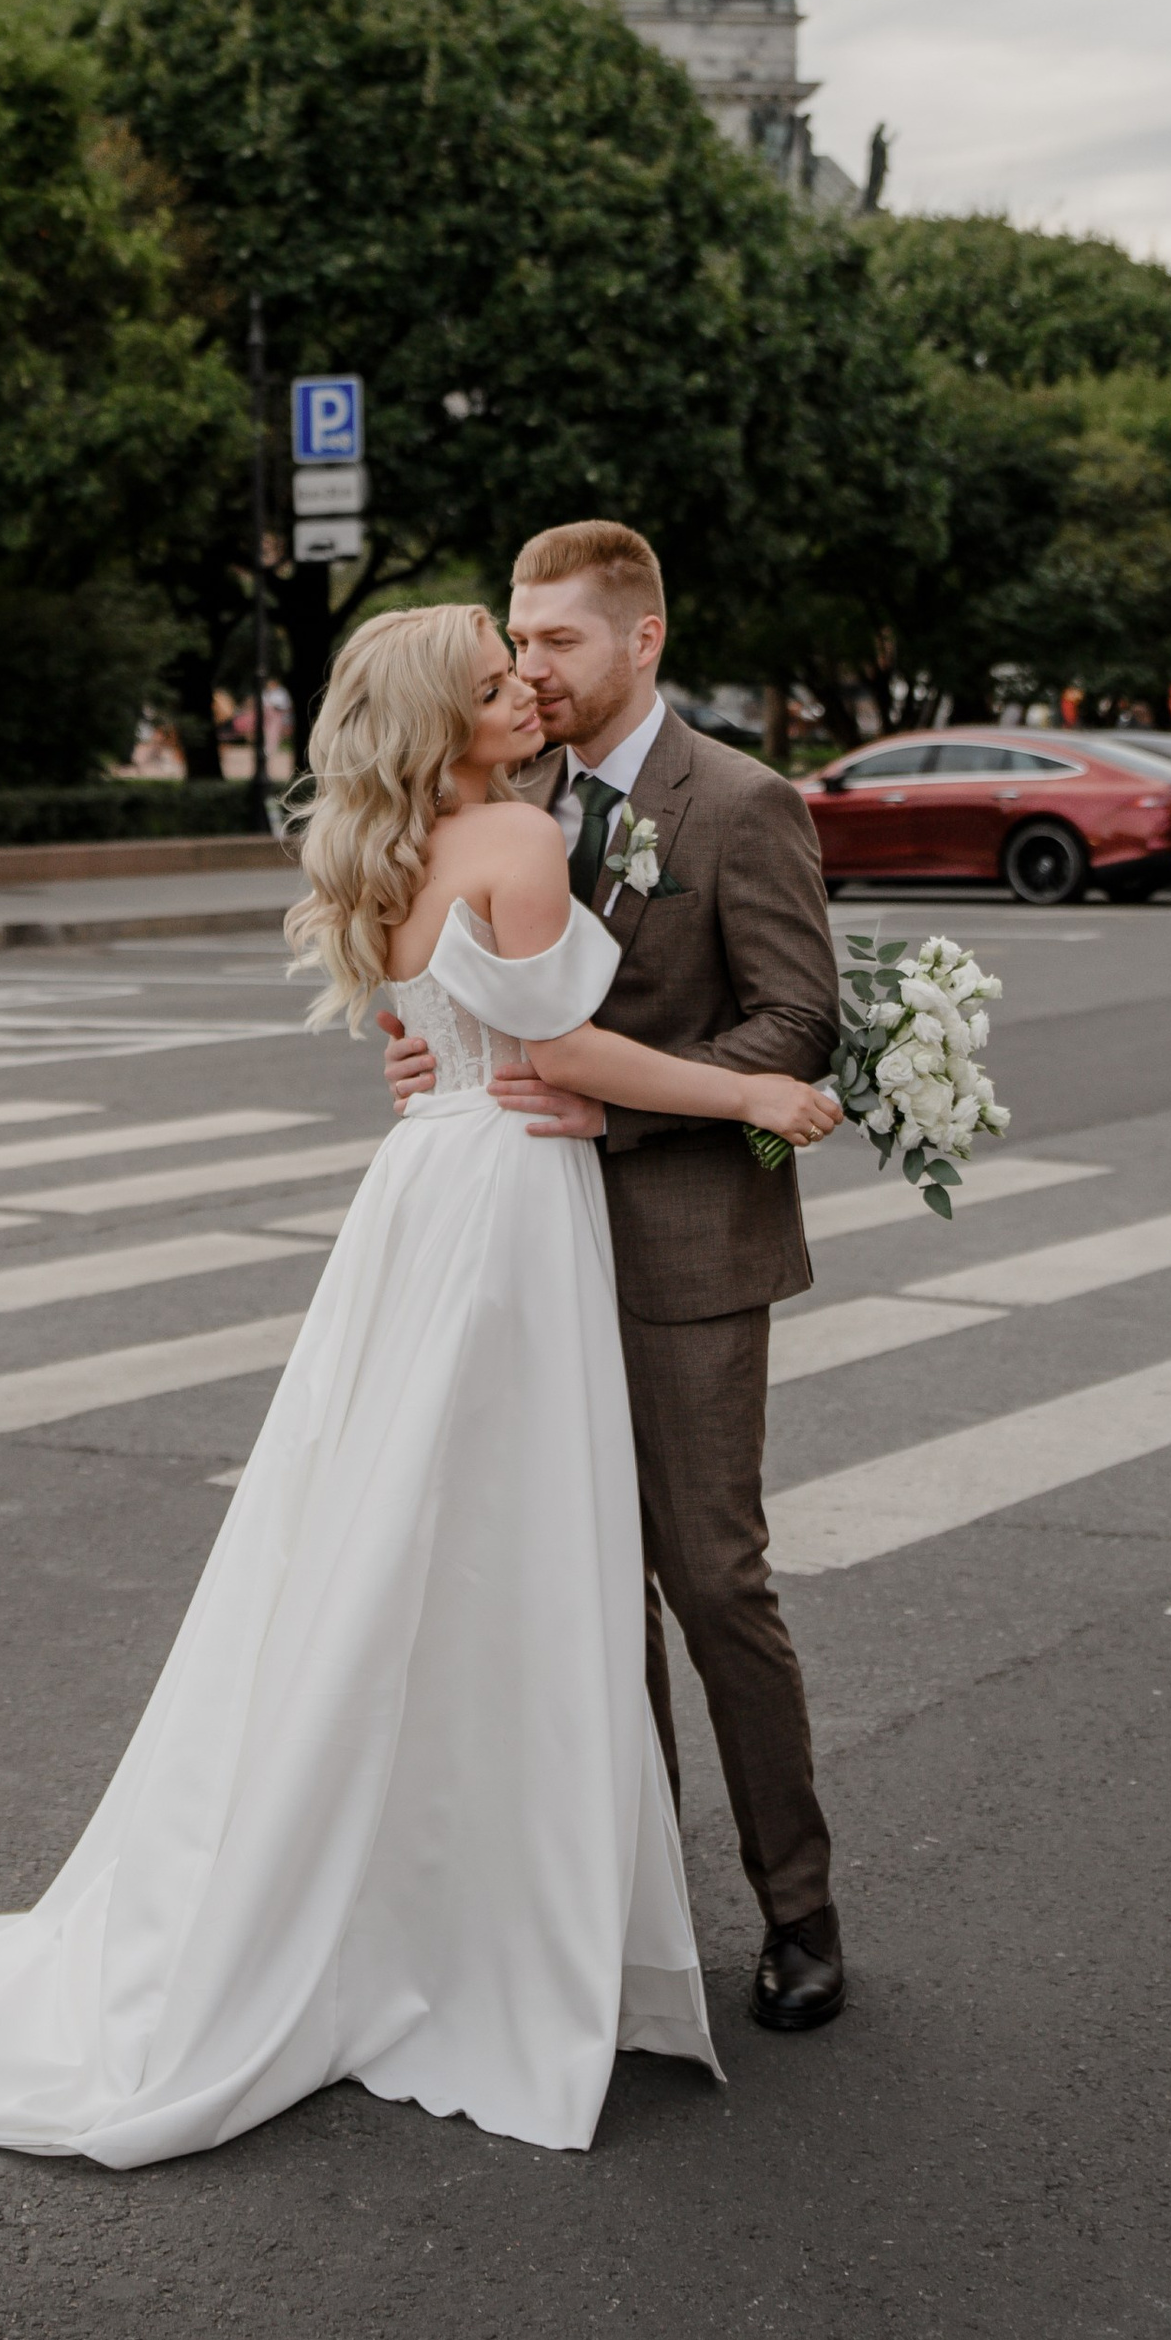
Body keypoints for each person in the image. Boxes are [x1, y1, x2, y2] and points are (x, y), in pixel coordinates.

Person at [0, 599, 840, 2164]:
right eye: (494, 679)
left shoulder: (392, 847)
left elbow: (437, 1019)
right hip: (507, 1202)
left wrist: (470, 1054)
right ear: (445, 720)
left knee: (412, 1544)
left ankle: (473, 1903)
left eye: (530, 666)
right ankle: (506, 1915)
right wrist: (758, 1096)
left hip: (429, 1193)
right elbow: (569, 1059)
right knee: (511, 1546)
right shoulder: (520, 838)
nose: (524, 690)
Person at [380, 520, 851, 2033]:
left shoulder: (742, 801)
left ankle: (799, 1913)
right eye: (517, 642)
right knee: (579, 1594)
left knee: (712, 1581)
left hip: (681, 1245)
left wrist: (618, 1108)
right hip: (521, 1242)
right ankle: (623, 1917)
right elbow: (466, 993)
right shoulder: (505, 795)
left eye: (558, 641)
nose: (531, 667)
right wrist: (423, 1051)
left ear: (642, 639)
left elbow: (796, 1022)